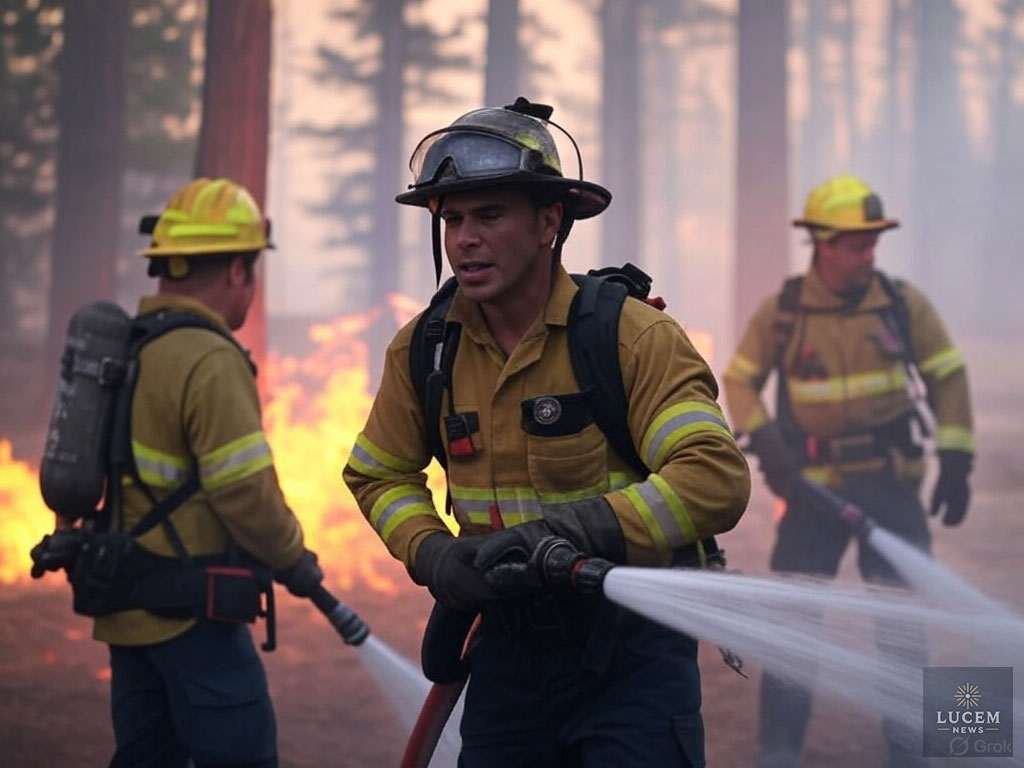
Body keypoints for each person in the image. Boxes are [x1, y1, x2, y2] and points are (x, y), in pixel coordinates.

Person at [343, 98, 750, 767]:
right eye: (452, 219)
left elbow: (714, 477)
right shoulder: (425, 351)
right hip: (508, 649)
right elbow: (377, 473)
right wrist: (433, 554)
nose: (464, 238)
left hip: (631, 652)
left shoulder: (629, 337)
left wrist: (573, 532)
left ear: (549, 222)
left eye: (490, 214)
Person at [723, 174, 974, 767]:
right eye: (858, 244)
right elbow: (738, 378)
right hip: (812, 495)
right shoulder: (784, 312)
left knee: (906, 631)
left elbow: (948, 372)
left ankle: (915, 754)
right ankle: (778, 752)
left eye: (872, 244)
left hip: (891, 487)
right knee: (794, 630)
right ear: (824, 244)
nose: (869, 255)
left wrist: (957, 457)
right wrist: (766, 438)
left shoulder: (902, 305)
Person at [99, 177, 323, 767]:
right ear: (236, 272)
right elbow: (243, 489)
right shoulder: (209, 357)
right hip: (193, 614)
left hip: (126, 610)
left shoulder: (129, 346)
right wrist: (293, 558)